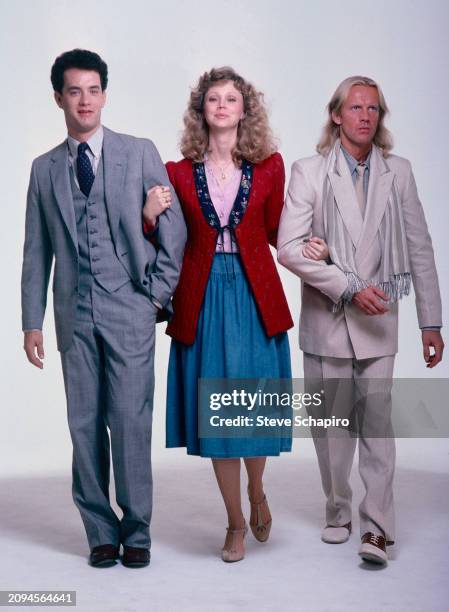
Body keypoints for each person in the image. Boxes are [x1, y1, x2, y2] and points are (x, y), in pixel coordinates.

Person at [21, 49, 186, 568]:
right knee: (84, 423)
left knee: (131, 421)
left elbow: (174, 229)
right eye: (74, 91)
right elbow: (36, 251)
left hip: (129, 309)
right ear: (58, 98)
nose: (85, 100)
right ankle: (99, 530)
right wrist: (32, 321)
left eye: (93, 89)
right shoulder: (44, 169)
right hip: (74, 313)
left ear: (105, 95)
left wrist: (156, 296)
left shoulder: (138, 153)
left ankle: (137, 531)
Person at [277, 76, 444, 565]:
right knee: (331, 428)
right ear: (337, 115)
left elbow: (419, 248)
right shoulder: (308, 172)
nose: (366, 116)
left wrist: (430, 322)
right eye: (356, 107)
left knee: (376, 423)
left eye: (373, 108)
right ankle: (338, 509)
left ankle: (377, 528)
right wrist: (346, 284)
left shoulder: (401, 172)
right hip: (328, 317)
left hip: (381, 319)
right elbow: (288, 248)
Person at [147, 67, 293, 563]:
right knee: (218, 417)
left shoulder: (271, 166)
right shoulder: (177, 172)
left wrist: (311, 245)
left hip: (256, 297)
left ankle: (256, 489)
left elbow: (278, 233)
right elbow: (160, 239)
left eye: (232, 98)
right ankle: (234, 523)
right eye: (214, 98)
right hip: (203, 296)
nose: (223, 105)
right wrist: (149, 213)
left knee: (252, 406)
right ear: (202, 110)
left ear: (245, 109)